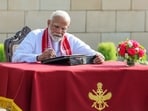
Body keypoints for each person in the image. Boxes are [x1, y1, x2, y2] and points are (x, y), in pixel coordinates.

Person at [12, 10, 105, 64]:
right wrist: (39, 57)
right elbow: (16, 57)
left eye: (63, 29)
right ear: (49, 23)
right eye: (56, 26)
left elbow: (91, 53)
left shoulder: (70, 39)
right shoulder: (35, 35)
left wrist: (99, 57)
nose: (59, 31)